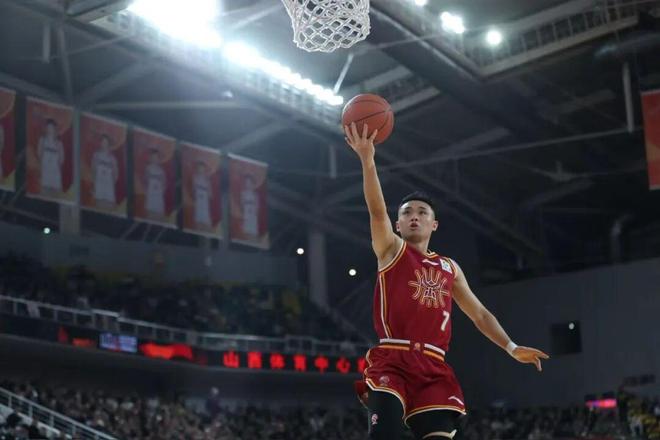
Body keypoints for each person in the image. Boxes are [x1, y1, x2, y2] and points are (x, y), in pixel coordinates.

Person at [345, 122, 550, 440]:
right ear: (398, 225)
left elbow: (480, 314)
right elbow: (376, 211)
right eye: (407, 212)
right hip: (393, 359)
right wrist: (367, 160)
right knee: (385, 434)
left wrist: (511, 347)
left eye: (422, 212)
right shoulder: (390, 250)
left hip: (434, 366)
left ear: (434, 224)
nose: (414, 215)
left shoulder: (449, 267)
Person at [37, 118, 64, 194]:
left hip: (55, 171)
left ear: (54, 129)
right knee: (45, 191)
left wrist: (56, 166)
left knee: (56, 193)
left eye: (51, 128)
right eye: (48, 128)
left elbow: (61, 158)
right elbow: (39, 154)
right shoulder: (42, 140)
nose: (50, 130)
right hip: (45, 170)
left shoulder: (59, 143)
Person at [91, 134, 118, 207]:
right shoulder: (96, 155)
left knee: (109, 206)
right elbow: (93, 171)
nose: (104, 144)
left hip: (109, 188)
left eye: (105, 142)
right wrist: (94, 185)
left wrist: (110, 185)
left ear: (108, 144)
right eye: (102, 142)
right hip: (99, 186)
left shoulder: (112, 159)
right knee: (99, 205)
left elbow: (115, 175)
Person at [144, 148, 165, 218]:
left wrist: (161, 191)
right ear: (151, 158)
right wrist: (146, 192)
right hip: (150, 195)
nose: (155, 159)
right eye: (153, 157)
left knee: (159, 215)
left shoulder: (161, 170)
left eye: (156, 157)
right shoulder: (148, 168)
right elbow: (145, 181)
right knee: (150, 214)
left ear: (159, 159)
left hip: (158, 196)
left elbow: (164, 183)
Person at [192, 160, 212, 228]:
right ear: (197, 168)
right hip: (198, 194)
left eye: (202, 168)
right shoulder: (195, 177)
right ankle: (198, 222)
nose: (201, 169)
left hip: (205, 195)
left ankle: (205, 222)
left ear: (204, 169)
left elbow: (209, 187)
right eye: (199, 168)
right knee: (198, 209)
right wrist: (194, 194)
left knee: (205, 209)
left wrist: (210, 194)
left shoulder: (207, 178)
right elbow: (194, 187)